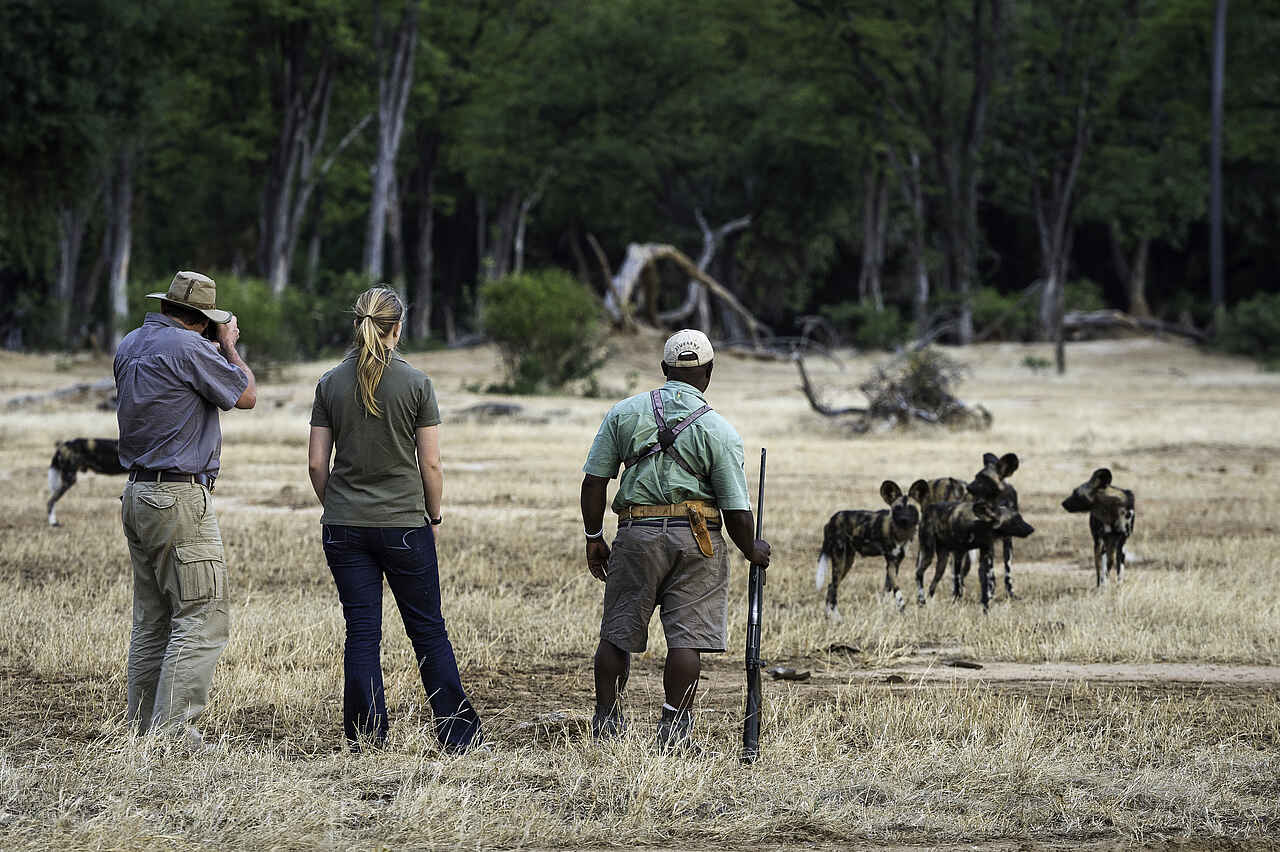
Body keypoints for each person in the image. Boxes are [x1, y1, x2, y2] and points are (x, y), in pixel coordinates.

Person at [308, 287, 482, 753]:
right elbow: (432, 465)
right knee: (428, 629)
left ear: (357, 324)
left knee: (362, 632)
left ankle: (366, 738)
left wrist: (338, 506)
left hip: (344, 526)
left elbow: (316, 464)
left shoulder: (328, 383)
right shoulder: (416, 383)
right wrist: (434, 516)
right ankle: (457, 735)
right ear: (398, 329)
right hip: (405, 524)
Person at [580, 328, 771, 750]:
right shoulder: (720, 431)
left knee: (617, 631)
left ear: (664, 368)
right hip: (698, 540)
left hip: (636, 534)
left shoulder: (624, 413)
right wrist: (752, 549)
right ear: (709, 371)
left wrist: (594, 536)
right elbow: (737, 511)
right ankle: (673, 730)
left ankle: (607, 722)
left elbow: (594, 481)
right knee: (687, 639)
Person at [115, 270, 257, 749]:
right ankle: (173, 733)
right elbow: (245, 395)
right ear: (202, 320)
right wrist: (228, 346)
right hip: (178, 498)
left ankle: (143, 728)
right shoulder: (191, 348)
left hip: (137, 493)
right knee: (202, 614)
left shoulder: (130, 343)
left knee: (153, 619)